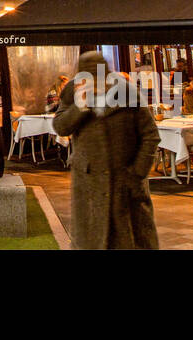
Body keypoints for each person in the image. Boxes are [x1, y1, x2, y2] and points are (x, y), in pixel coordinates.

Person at [53, 50, 160, 250]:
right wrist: (80, 106)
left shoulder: (127, 93)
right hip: (89, 184)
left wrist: (136, 173)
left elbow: (150, 135)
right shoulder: (72, 92)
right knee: (91, 239)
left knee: (131, 240)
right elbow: (60, 126)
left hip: (125, 184)